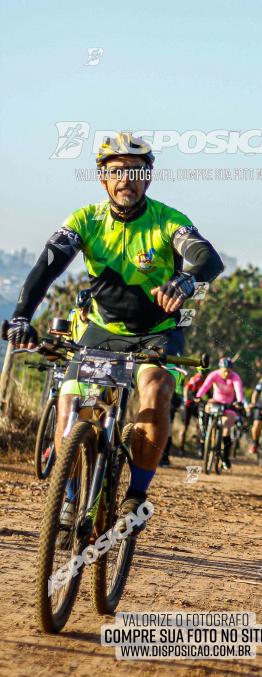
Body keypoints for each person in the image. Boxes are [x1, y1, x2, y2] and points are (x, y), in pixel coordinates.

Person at [2, 131, 224, 526]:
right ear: (102, 178)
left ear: (149, 177)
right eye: (116, 171)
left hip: (158, 332)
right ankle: (68, 498)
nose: (127, 179)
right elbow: (45, 269)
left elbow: (207, 258)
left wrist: (188, 280)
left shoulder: (169, 221)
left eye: (136, 170)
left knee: (155, 390)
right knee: (71, 405)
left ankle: (137, 493)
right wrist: (22, 315)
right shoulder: (85, 221)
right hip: (102, 329)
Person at [195, 356, 244, 468]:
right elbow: (205, 386)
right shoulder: (214, 374)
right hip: (216, 401)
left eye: (229, 371)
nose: (226, 373)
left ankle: (225, 457)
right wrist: (198, 396)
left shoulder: (235, 377)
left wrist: (240, 401)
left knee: (226, 427)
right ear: (220, 368)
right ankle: (206, 431)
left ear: (232, 370)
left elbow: (238, 390)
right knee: (206, 407)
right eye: (224, 370)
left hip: (229, 404)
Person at [179, 365, 209, 454]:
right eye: (204, 373)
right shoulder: (196, 378)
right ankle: (181, 447)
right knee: (185, 426)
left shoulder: (206, 381)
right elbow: (186, 388)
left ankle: (198, 447)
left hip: (197, 405)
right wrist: (186, 399)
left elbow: (209, 392)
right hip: (188, 404)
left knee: (200, 425)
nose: (205, 375)